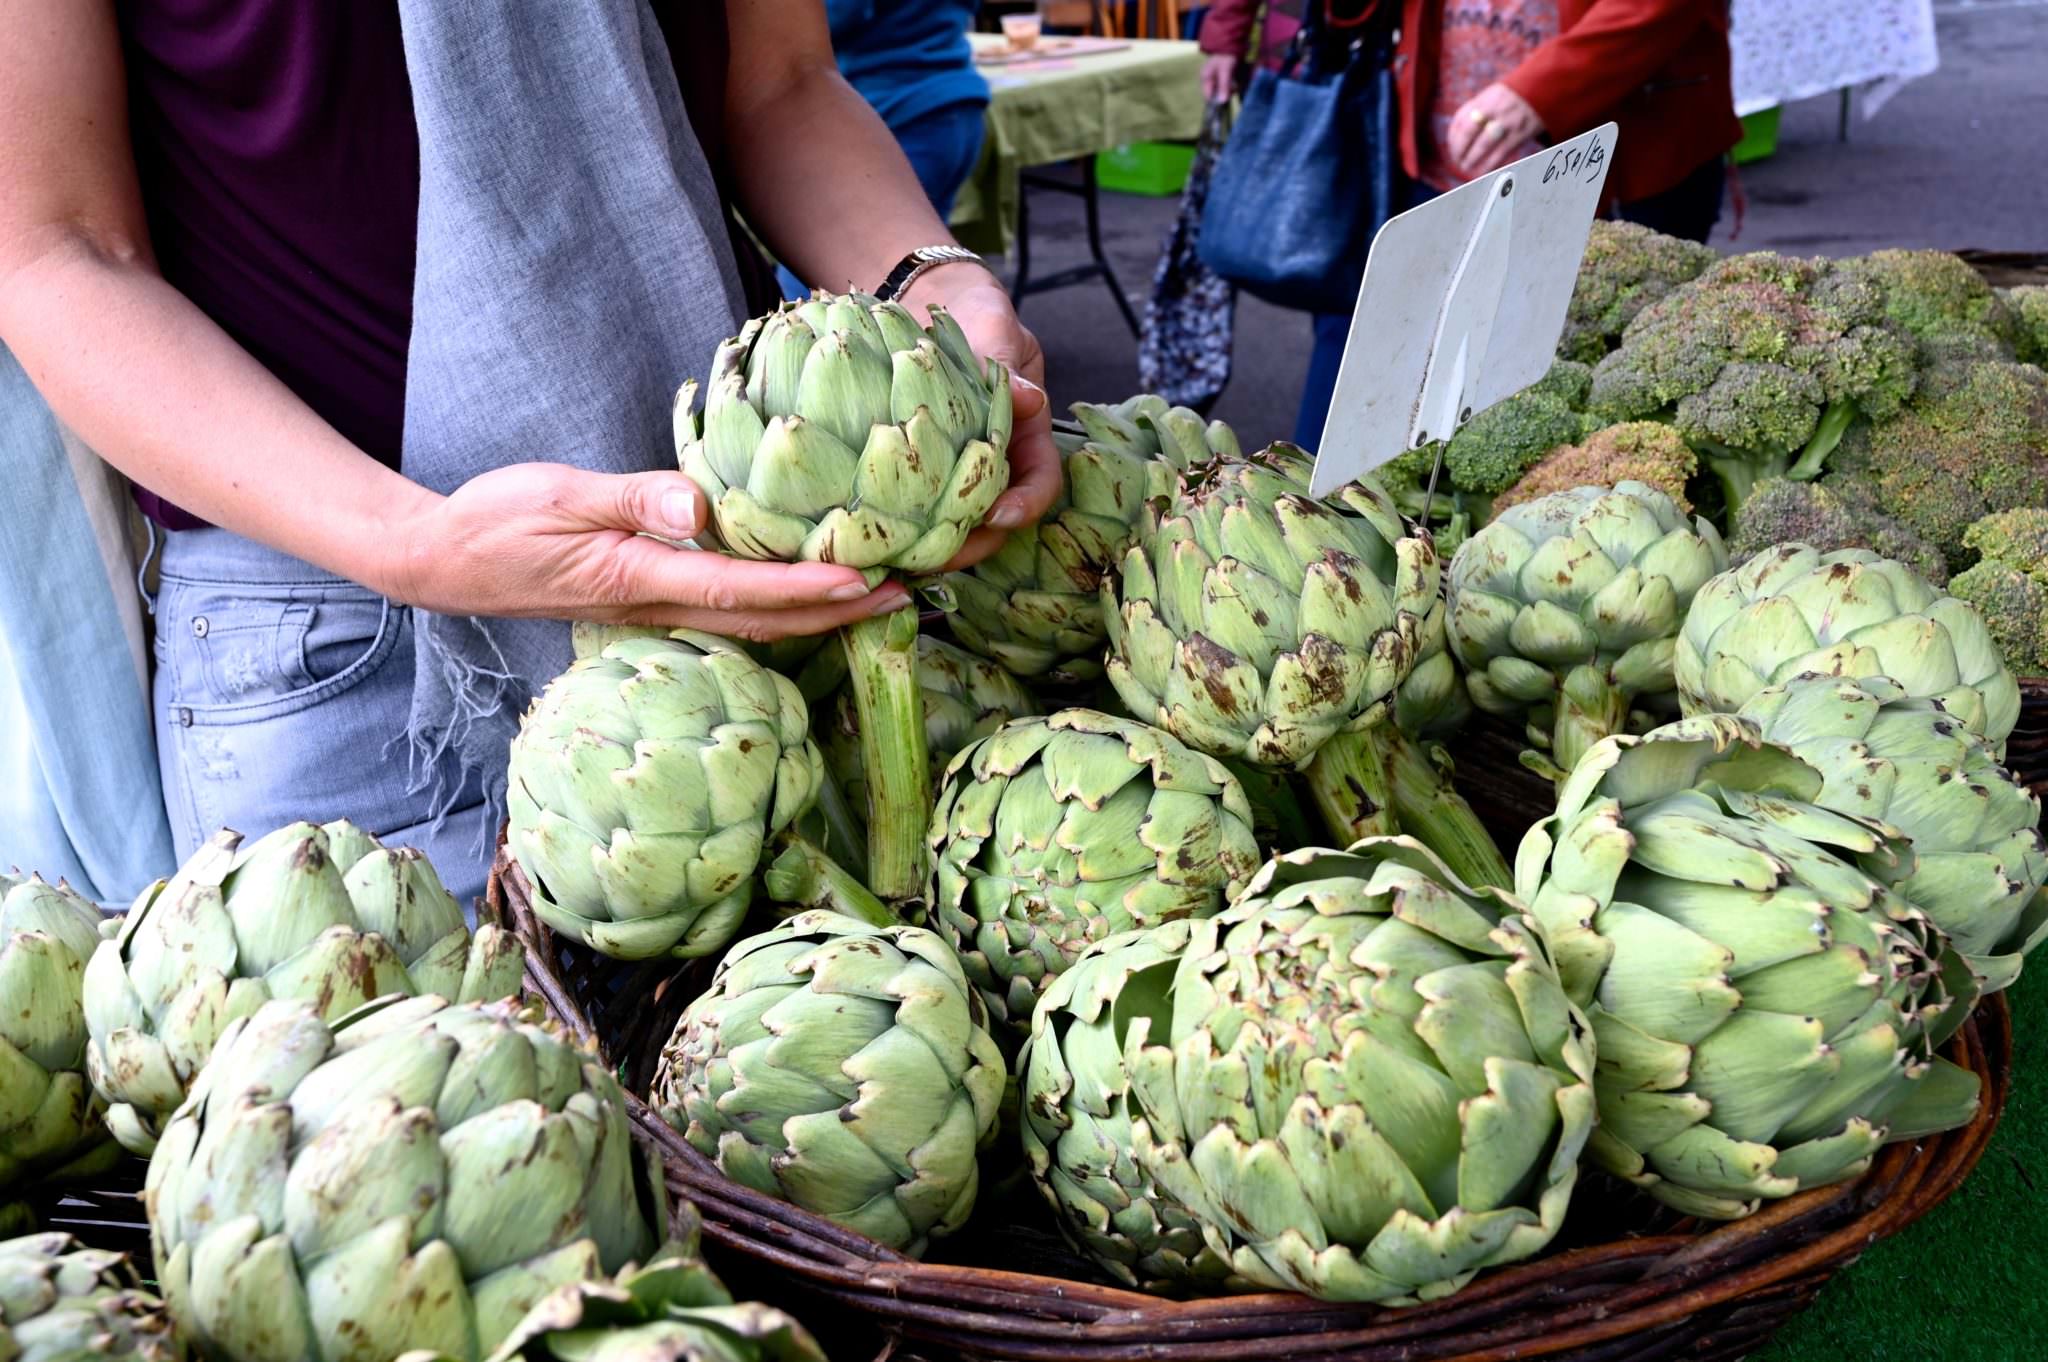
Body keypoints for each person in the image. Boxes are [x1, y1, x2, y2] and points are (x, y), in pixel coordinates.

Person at [0, 1, 1061, 906]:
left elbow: (778, 86)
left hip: (736, 559)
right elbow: (55, 249)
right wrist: (412, 543)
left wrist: (932, 286)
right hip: (333, 651)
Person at [1200, 0, 1740, 446]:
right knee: (1368, 351)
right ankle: (1316, 530)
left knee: (1592, 387)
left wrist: (1542, 91)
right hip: (1424, 147)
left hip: (1625, 158)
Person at [782, 0, 991, 297]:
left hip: (896, 115)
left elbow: (820, 22)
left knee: (812, 291)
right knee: (923, 273)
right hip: (956, 109)